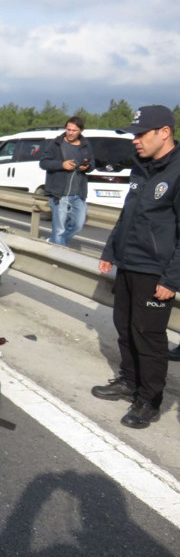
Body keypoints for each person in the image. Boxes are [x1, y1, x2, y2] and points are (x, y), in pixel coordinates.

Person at [92, 105, 180, 429]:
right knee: (125, 327)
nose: (135, 141)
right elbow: (126, 214)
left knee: (148, 336)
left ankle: (149, 400)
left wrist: (172, 278)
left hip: (155, 270)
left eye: (141, 134)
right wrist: (110, 249)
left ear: (164, 132)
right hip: (129, 263)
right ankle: (129, 381)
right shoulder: (140, 168)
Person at [39, 116, 95, 245]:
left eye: (74, 130)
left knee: (77, 226)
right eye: (68, 129)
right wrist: (61, 165)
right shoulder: (56, 144)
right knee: (59, 229)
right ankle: (57, 256)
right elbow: (43, 163)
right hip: (60, 194)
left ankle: (54, 242)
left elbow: (92, 163)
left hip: (79, 194)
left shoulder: (86, 145)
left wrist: (87, 167)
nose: (70, 132)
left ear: (80, 131)